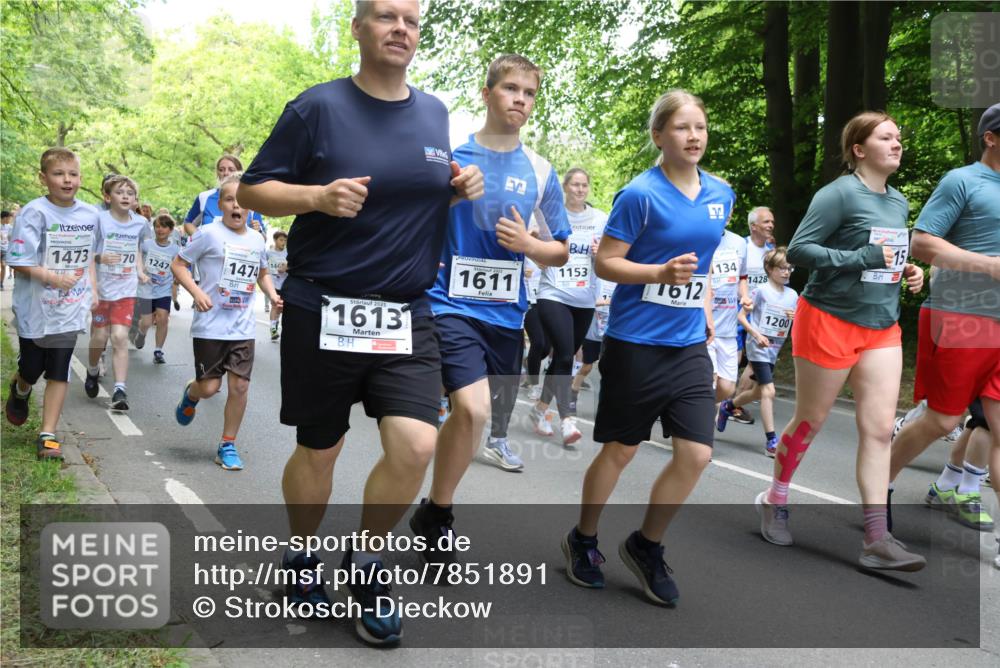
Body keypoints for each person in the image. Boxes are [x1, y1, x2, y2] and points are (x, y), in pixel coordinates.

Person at [236, 0, 483, 646]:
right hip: (325, 307)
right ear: (358, 28)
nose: (400, 29)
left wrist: (454, 187)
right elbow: (252, 191)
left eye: (411, 20)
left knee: (417, 444)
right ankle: (299, 556)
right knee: (321, 448)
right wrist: (316, 197)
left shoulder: (433, 112)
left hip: (405, 312)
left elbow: (421, 186)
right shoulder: (316, 108)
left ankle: (366, 560)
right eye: (385, 17)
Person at [561, 89, 732, 606]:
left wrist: (706, 319)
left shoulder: (721, 193)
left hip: (686, 346)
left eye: (700, 126)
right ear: (659, 136)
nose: (694, 136)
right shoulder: (640, 194)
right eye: (682, 127)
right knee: (622, 449)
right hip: (636, 341)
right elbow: (605, 262)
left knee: (697, 454)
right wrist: (657, 272)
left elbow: (700, 268)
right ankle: (583, 539)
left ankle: (646, 545)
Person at [753, 111, 926, 571]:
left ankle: (876, 538)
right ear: (858, 149)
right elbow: (802, 250)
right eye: (886, 137)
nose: (897, 143)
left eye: (899, 137)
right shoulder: (837, 194)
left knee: (877, 429)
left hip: (881, 324)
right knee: (811, 420)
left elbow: (886, 256)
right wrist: (860, 257)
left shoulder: (899, 203)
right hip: (828, 318)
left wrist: (907, 270)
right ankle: (776, 497)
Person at [414, 51, 571, 489]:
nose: (520, 100)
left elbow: (560, 250)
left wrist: (529, 246)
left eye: (529, 93)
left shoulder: (541, 171)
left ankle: (438, 509)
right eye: (510, 89)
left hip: (505, 314)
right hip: (449, 304)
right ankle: (435, 503)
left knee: (474, 420)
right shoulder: (451, 159)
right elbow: (410, 219)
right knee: (473, 409)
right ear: (486, 94)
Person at [887, 103, 1000, 535]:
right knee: (942, 420)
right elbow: (922, 243)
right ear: (990, 137)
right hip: (962, 315)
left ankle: (961, 491)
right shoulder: (962, 180)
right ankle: (877, 488)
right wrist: (988, 266)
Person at [171, 175, 281, 469]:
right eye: (230, 199)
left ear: (251, 208)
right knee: (209, 389)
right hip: (210, 324)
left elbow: (262, 272)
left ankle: (227, 444)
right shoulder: (207, 233)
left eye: (243, 201)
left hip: (242, 326)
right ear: (220, 204)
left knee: (240, 387)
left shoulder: (257, 238)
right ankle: (191, 393)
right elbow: (178, 264)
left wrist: (273, 294)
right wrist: (195, 292)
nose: (237, 205)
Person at [4, 148, 99, 459]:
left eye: (72, 174)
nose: (67, 180)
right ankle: (20, 388)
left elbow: (89, 259)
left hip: (70, 307)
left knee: (59, 369)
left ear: (80, 178)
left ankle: (47, 434)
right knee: (32, 368)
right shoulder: (34, 213)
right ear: (43, 178)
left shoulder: (90, 215)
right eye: (59, 174)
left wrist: (93, 290)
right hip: (36, 306)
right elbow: (17, 260)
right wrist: (51, 277)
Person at [529, 168, 606, 445]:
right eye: (575, 185)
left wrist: (600, 255)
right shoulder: (552, 214)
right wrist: (536, 246)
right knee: (563, 353)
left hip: (584, 298)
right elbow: (535, 250)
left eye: (585, 185)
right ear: (565, 187)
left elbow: (607, 263)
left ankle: (539, 410)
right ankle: (566, 420)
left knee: (564, 358)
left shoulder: (600, 219)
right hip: (554, 293)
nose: (580, 189)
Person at [718, 247, 797, 456]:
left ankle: (728, 406)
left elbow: (795, 325)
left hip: (774, 349)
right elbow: (741, 316)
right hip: (758, 348)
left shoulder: (792, 295)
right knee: (768, 392)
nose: (786, 272)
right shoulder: (760, 290)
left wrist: (794, 318)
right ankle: (772, 441)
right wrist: (755, 334)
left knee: (757, 391)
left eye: (789, 268)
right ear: (769, 269)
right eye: (782, 268)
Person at [84, 175, 150, 411]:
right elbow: (87, 253)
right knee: (100, 338)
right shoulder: (99, 220)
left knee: (120, 337)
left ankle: (120, 389)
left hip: (126, 289)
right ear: (107, 196)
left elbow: (137, 249)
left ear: (135, 200)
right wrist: (100, 257)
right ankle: (92, 371)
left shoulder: (141, 223)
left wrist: (140, 271)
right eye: (120, 192)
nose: (125, 196)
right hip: (102, 289)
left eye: (130, 193)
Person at [706, 220, 750, 410]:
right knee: (710, 381)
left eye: (729, 207)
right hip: (703, 325)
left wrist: (745, 296)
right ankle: (696, 425)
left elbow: (742, 278)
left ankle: (682, 406)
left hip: (728, 326)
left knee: (727, 388)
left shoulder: (739, 242)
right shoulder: (699, 235)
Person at [183, 155, 267, 239]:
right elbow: (188, 222)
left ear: (239, 172)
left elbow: (263, 238)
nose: (226, 173)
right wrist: (200, 238)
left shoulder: (250, 200)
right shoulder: (204, 197)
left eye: (231, 169)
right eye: (221, 170)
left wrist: (258, 231)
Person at [136, 214, 182, 364]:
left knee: (163, 318)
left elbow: (178, 267)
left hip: (164, 289)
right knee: (147, 322)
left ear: (170, 230)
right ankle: (141, 333)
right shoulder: (146, 245)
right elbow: (137, 261)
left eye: (164, 226)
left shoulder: (176, 249)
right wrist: (140, 272)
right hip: (146, 289)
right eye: (157, 226)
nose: (160, 229)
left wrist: (177, 278)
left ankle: (158, 350)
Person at [266, 230, 289, 340]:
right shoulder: (268, 253)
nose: (283, 242)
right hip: (273, 284)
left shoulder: (288, 253)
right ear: (275, 240)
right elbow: (262, 267)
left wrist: (286, 268)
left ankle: (277, 323)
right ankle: (273, 329)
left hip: (285, 284)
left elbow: (294, 266)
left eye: (285, 240)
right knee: (275, 305)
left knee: (282, 308)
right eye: (281, 240)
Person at [1, 210, 13, 290]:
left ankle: (0, 283)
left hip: (5, 249)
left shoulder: (9, 227)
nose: (10, 220)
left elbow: (11, 237)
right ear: (5, 218)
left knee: (3, 266)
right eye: (9, 218)